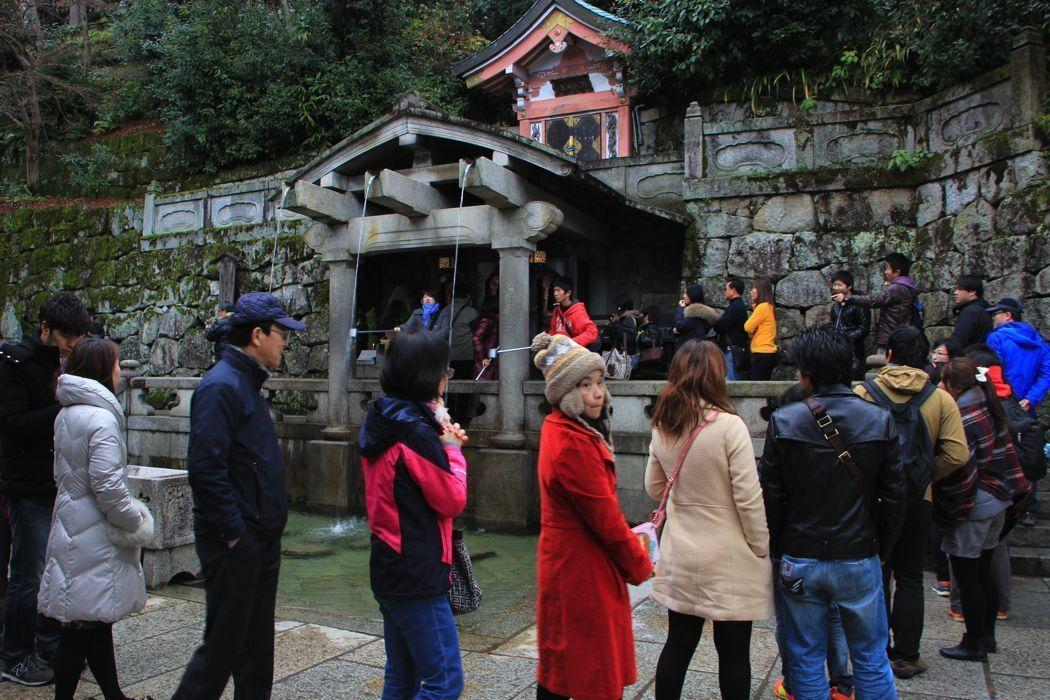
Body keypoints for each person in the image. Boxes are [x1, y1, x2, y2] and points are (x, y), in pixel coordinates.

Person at [172, 292, 305, 699]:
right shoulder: (221, 385)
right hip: (238, 540)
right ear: (257, 334)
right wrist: (234, 533)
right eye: (281, 332)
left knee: (255, 647)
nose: (286, 341)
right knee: (223, 646)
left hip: (260, 534)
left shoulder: (246, 381)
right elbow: (205, 469)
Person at [760, 326, 905, 700]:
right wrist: (880, 547)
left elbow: (772, 496)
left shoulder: (785, 421)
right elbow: (894, 496)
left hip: (801, 552)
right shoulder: (879, 419)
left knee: (806, 655)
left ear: (807, 374)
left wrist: (780, 548)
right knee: (871, 655)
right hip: (858, 551)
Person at [646, 340, 773, 700]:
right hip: (728, 554)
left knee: (677, 645)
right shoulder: (730, 427)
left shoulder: (663, 423)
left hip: (682, 550)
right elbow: (749, 498)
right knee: (734, 653)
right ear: (717, 375)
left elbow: (654, 487)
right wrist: (760, 545)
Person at [531, 332, 652, 700]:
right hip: (581, 567)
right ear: (566, 393)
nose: (597, 392)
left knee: (562, 660)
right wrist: (640, 564)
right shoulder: (574, 442)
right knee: (592, 664)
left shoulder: (563, 428)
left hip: (568, 559)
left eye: (599, 382)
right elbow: (606, 520)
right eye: (585, 385)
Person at [37, 338, 154, 700]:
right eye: (116, 364)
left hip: (72, 520)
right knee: (83, 625)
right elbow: (107, 486)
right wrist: (134, 521)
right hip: (95, 532)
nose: (120, 370)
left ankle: (114, 695)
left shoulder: (67, 413)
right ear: (102, 369)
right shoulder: (102, 418)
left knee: (94, 617)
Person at [359, 329, 469, 698]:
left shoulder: (384, 418)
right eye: (444, 371)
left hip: (389, 563)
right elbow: (452, 499)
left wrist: (438, 431)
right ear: (427, 376)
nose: (445, 378)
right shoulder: (415, 433)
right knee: (444, 683)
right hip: (417, 572)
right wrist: (452, 451)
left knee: (402, 677)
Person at [854, 326, 968, 679]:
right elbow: (958, 453)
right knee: (909, 576)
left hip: (873, 498)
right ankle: (906, 656)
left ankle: (874, 651)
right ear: (924, 359)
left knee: (876, 574)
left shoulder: (863, 393)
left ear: (888, 356)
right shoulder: (940, 398)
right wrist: (926, 476)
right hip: (918, 498)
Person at [0, 292, 90, 686]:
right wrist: (66, 408)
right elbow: (13, 423)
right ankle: (16, 654)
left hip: (63, 481)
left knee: (59, 568)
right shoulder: (15, 363)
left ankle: (50, 640)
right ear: (44, 330)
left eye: (78, 336)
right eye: (65, 336)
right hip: (29, 482)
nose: (71, 344)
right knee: (29, 571)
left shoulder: (77, 360)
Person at [762, 384, 854, 700]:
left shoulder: (782, 444)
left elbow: (769, 496)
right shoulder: (839, 440)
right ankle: (841, 682)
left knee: (790, 620)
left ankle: (795, 682)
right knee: (834, 616)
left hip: (793, 546)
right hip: (840, 542)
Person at [935, 357, 1030, 661]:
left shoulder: (965, 417)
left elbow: (962, 468)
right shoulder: (990, 406)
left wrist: (951, 508)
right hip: (999, 498)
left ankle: (973, 641)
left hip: (976, 504)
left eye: (943, 382)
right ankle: (986, 636)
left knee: (967, 574)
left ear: (955, 386)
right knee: (984, 571)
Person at [833, 252, 921, 367]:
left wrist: (848, 298)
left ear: (897, 272)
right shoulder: (904, 287)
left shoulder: (897, 288)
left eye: (887, 268)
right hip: (898, 337)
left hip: (891, 338)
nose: (885, 272)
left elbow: (875, 300)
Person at [985, 297, 1050, 417]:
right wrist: (1030, 398)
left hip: (1002, 404)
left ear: (1007, 315)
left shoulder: (996, 338)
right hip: (1025, 406)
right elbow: (1046, 373)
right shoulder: (1038, 340)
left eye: (996, 314)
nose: (993, 318)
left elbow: (993, 371)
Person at [829, 271, 871, 380]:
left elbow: (864, 328)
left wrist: (846, 338)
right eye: (834, 285)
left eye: (840, 285)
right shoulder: (835, 306)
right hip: (837, 347)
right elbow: (833, 323)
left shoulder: (859, 304)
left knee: (853, 374)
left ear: (849, 286)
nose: (836, 288)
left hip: (854, 348)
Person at [434, 281, 479, 379]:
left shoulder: (445, 310)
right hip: (467, 355)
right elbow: (478, 333)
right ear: (467, 296)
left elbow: (438, 329)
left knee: (450, 383)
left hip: (450, 355)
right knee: (466, 382)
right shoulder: (472, 312)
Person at [548, 276, 599, 350]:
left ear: (568, 292)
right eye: (554, 291)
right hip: (559, 352)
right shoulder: (556, 311)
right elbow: (553, 331)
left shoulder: (577, 311)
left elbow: (592, 331)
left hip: (573, 354)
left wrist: (571, 343)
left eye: (558, 290)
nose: (555, 294)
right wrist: (547, 340)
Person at [714, 278, 749, 380]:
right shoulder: (738, 306)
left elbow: (720, 325)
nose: (724, 292)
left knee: (730, 381)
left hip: (732, 349)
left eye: (726, 289)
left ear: (733, 290)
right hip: (734, 348)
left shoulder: (735, 307)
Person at [744, 279, 778, 380]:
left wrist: (752, 331)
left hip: (762, 352)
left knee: (755, 387)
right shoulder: (768, 306)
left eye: (753, 288)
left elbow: (747, 327)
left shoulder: (763, 307)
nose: (751, 291)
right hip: (767, 353)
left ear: (760, 290)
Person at [672, 284, 718, 355]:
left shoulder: (694, 313)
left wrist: (681, 308)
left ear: (692, 295)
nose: (684, 296)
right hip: (698, 350)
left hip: (688, 352)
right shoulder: (702, 314)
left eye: (686, 293)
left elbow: (679, 325)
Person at [950, 276, 992, 347]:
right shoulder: (982, 309)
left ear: (972, 292)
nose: (956, 292)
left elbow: (959, 339)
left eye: (959, 289)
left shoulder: (971, 311)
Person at [472, 298, 499, 380]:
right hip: (486, 361)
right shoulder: (487, 321)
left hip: (490, 359)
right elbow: (476, 338)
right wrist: (483, 357)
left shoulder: (492, 320)